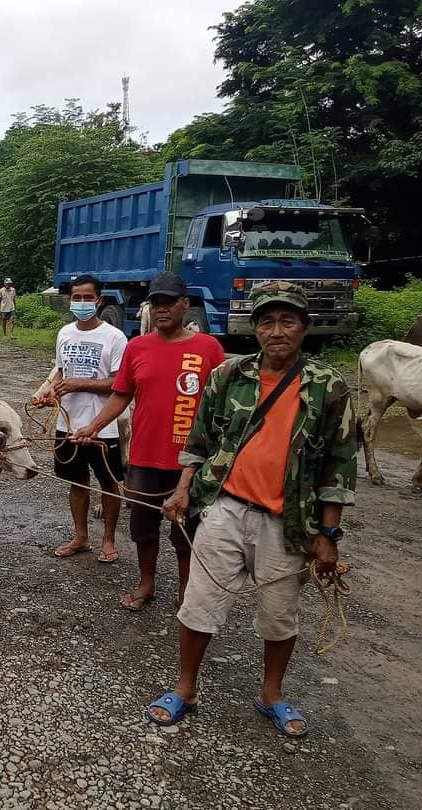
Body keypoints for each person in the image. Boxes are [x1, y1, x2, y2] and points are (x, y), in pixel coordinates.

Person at [149, 281, 356, 737]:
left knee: (279, 615)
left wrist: (328, 536)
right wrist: (183, 489)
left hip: (289, 522)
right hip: (224, 509)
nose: (276, 331)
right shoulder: (227, 376)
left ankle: (272, 695)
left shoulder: (329, 387)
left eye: (287, 322)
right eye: (267, 322)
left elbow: (339, 467)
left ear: (304, 327)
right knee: (198, 604)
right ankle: (185, 688)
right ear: (255, 329)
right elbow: (199, 443)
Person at [74, 272, 225, 610]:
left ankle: (187, 593)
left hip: (191, 461)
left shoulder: (208, 349)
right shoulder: (138, 347)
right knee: (143, 529)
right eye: (155, 302)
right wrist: (93, 426)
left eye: (169, 302)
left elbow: (222, 404)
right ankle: (146, 584)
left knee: (187, 534)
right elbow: (120, 394)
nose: (161, 309)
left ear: (184, 305)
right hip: (143, 457)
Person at [32, 274, 127, 563]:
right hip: (68, 424)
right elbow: (60, 372)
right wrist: (51, 393)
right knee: (77, 482)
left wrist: (77, 384)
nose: (82, 302)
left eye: (88, 297)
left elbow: (118, 384)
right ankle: (81, 536)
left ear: (99, 300)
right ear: (70, 300)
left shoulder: (114, 337)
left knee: (108, 484)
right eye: (77, 297)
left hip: (103, 426)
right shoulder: (65, 333)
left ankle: (108, 540)